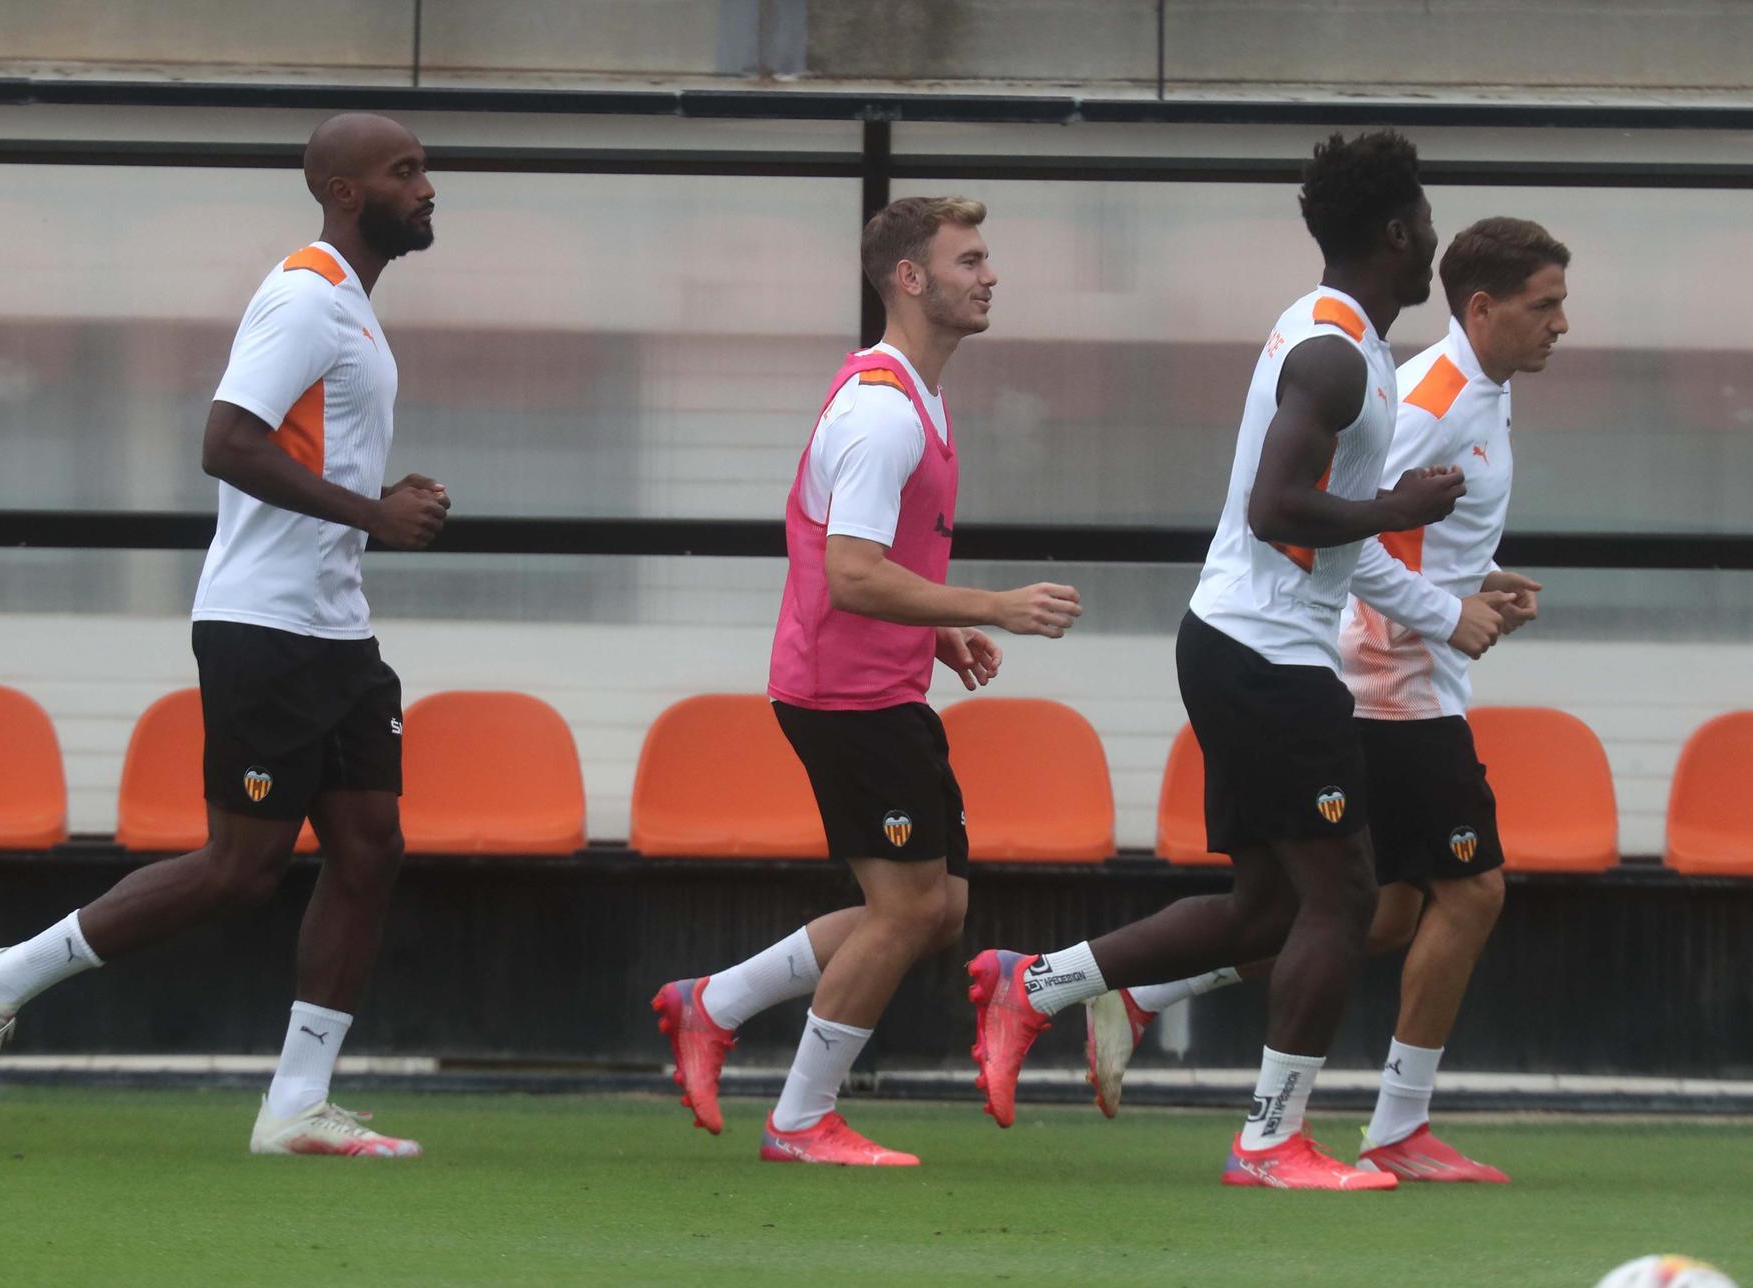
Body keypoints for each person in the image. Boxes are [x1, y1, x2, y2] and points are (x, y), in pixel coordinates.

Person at [0, 113, 449, 1158]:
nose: (427, 187)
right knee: (240, 866)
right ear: (345, 192)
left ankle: (295, 1106)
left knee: (369, 846)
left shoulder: (351, 309)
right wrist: (371, 515)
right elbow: (224, 442)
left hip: (335, 633)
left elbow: (306, 459)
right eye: (406, 171)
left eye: (424, 168)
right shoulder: (305, 297)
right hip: (262, 626)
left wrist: (378, 502)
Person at [964, 130, 1465, 1191]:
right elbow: (1274, 504)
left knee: (1263, 911)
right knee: (1344, 900)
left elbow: (1327, 531)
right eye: (1422, 217)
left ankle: (1033, 981)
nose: (1431, 236)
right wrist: (1399, 504)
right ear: (1394, 229)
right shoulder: (1331, 353)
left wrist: (1436, 600)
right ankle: (1269, 1139)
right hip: (1266, 660)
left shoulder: (1350, 346)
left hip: (1243, 647)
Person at [1084, 218, 1569, 1186]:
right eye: (1543, 304)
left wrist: (1479, 579)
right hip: (1389, 686)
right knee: (1468, 892)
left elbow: (1405, 532)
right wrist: (1445, 614)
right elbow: (1341, 535)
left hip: (1394, 674)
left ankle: (1132, 992)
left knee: (1375, 916)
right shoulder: (1430, 394)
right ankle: (1391, 1125)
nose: (1562, 324)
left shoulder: (1475, 388)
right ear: (1479, 308)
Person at [650, 196, 1082, 1166]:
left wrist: (932, 640)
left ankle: (710, 1005)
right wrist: (989, 609)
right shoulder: (882, 410)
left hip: (883, 687)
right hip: (840, 698)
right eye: (969, 258)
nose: (990, 274)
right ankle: (800, 1119)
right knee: (902, 909)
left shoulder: (916, 399)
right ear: (911, 279)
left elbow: (852, 558)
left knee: (936, 910)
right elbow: (847, 571)